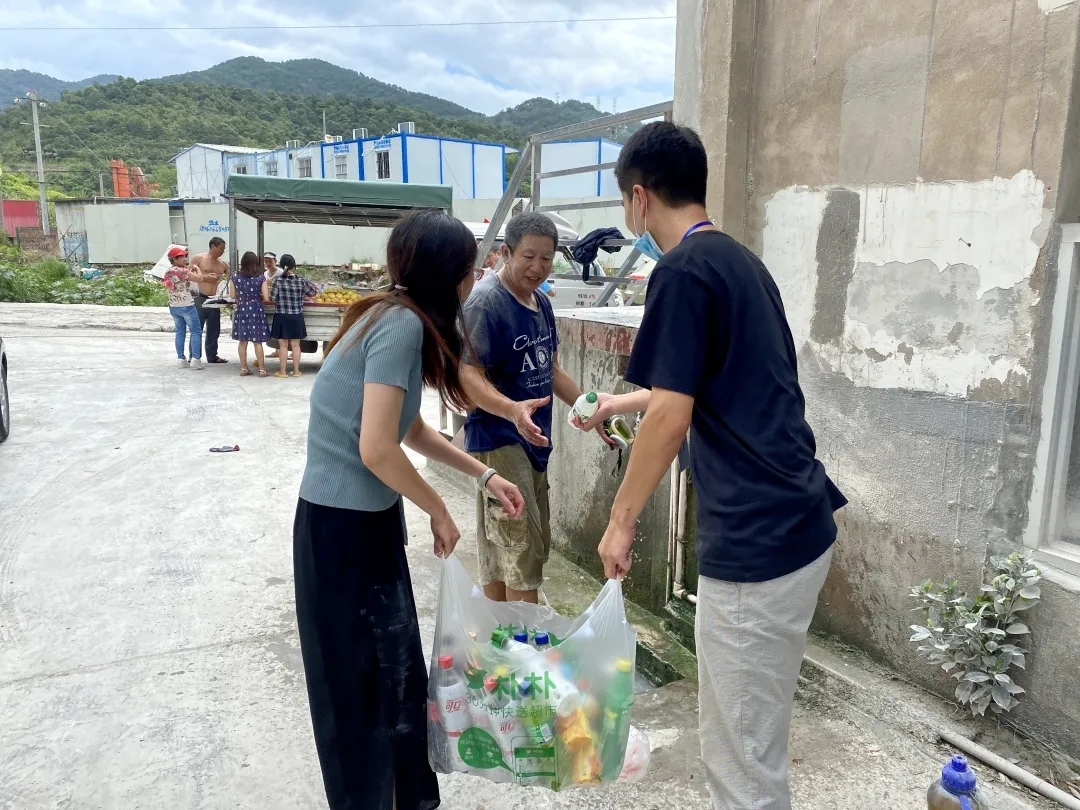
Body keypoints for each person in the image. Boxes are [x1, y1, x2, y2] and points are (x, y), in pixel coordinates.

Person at [575, 121, 848, 810]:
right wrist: (620, 402)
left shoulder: (680, 271)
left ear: (639, 198)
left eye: (625, 203)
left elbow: (672, 417)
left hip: (758, 543)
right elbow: (703, 383)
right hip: (800, 519)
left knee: (741, 766)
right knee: (755, 745)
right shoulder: (739, 263)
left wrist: (620, 523)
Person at [295, 209, 524, 810]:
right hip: (342, 530)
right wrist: (438, 509)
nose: (476, 278)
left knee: (392, 675)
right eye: (472, 268)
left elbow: (409, 428)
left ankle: (405, 797)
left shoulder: (390, 314)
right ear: (452, 276)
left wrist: (483, 474)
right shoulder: (398, 324)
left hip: (359, 523)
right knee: (359, 682)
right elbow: (376, 448)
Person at [460, 212, 610, 605]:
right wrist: (511, 410)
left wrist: (590, 409)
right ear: (506, 252)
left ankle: (497, 632)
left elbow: (551, 368)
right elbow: (467, 375)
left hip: (534, 438)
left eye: (547, 258)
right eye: (529, 256)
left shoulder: (540, 301)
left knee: (509, 547)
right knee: (521, 548)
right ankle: (524, 639)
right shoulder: (486, 303)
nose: (538, 267)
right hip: (499, 437)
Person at [270, 254, 317, 378]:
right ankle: (296, 371)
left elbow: (272, 297)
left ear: (281, 266)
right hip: (296, 316)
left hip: (281, 316)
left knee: (283, 345)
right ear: (294, 266)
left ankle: (282, 372)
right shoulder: (301, 280)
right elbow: (313, 292)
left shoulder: (277, 280)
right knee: (296, 345)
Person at [162, 245, 205, 370]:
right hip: (187, 305)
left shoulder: (167, 272)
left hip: (174, 306)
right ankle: (196, 359)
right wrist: (197, 268)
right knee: (196, 331)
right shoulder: (183, 271)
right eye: (182, 257)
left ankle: (181, 359)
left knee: (180, 332)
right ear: (175, 259)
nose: (185, 258)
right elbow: (200, 279)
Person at [229, 251, 271, 377]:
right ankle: (262, 370)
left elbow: (232, 295)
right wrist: (257, 296)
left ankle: (243, 368)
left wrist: (243, 295)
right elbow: (266, 298)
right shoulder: (260, 278)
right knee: (257, 341)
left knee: (243, 341)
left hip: (242, 309)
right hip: (256, 309)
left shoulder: (235, 277)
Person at [190, 236, 229, 364]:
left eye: (224, 248)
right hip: (200, 297)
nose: (223, 251)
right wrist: (206, 277)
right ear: (213, 246)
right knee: (197, 328)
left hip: (215, 299)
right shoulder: (199, 258)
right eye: (221, 248)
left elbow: (232, 277)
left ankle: (212, 355)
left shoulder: (222, 264)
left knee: (214, 329)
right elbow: (188, 274)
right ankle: (194, 356)